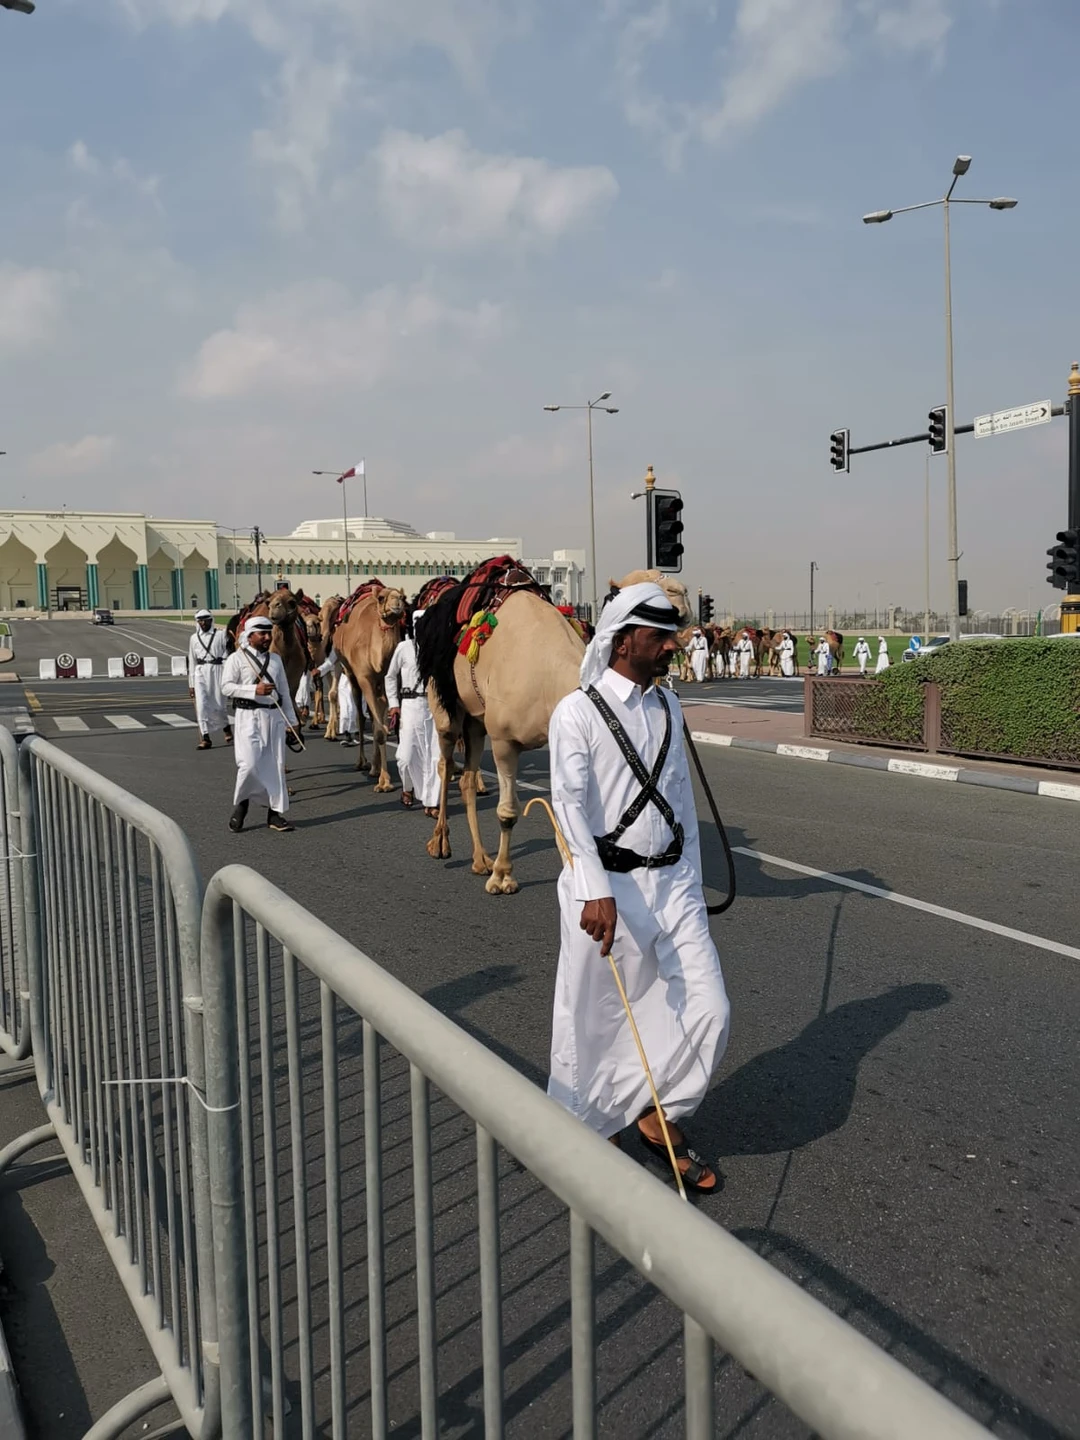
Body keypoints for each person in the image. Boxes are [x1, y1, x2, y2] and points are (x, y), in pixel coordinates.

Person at [547, 581, 731, 1193]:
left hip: (674, 884)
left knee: (710, 1008)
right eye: (660, 636)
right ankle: (589, 1129)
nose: (673, 646)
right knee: (595, 1020)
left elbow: (681, 802)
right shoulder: (577, 712)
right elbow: (569, 805)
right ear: (624, 640)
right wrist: (593, 888)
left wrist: (692, 882)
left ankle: (659, 1112)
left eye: (673, 635)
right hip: (607, 890)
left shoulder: (670, 706)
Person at [221, 616, 301, 833]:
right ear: (250, 636)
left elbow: (284, 692)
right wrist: (253, 690)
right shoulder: (236, 659)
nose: (267, 637)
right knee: (248, 764)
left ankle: (274, 814)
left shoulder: (275, 660)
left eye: (269, 633)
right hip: (248, 717)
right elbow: (226, 687)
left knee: (275, 766)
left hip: (274, 718)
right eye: (262, 634)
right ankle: (242, 804)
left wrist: (292, 723)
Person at [386, 608, 440, 815]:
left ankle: (431, 802)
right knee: (405, 757)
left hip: (432, 706)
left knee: (433, 756)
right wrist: (393, 704)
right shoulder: (404, 647)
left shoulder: (437, 649)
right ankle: (407, 787)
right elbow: (390, 676)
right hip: (409, 705)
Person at [187, 609, 232, 750]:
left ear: (211, 620)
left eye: (205, 620)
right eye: (200, 620)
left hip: (218, 670)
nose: (203, 623)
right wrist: (191, 684)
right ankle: (205, 737)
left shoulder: (221, 635)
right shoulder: (194, 638)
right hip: (200, 672)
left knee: (219, 705)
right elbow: (192, 661)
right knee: (201, 706)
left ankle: (226, 727)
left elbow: (228, 653)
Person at [313, 647, 360, 746]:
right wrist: (320, 670)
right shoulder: (339, 645)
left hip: (358, 677)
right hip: (344, 679)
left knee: (354, 708)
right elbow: (331, 661)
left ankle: (356, 734)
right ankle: (347, 735)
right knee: (344, 709)